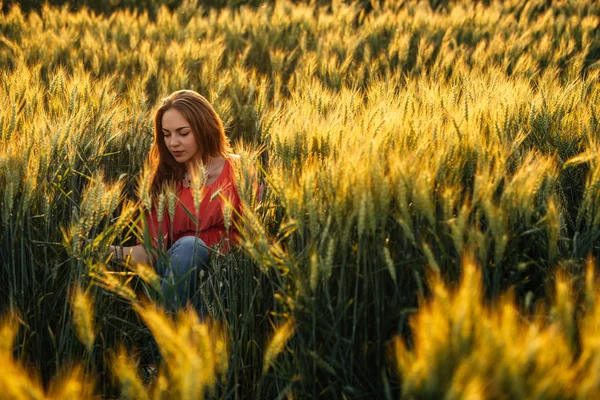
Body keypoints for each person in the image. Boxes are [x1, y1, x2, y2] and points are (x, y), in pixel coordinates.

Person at [109, 90, 242, 312]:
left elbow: (255, 233)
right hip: (176, 272)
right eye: (166, 134)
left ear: (204, 128)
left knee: (208, 296)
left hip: (227, 275)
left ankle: (171, 340)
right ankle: (167, 333)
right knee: (191, 246)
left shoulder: (240, 170)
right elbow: (149, 252)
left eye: (182, 133)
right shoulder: (163, 180)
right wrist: (100, 249)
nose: (173, 143)